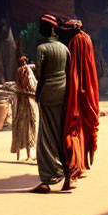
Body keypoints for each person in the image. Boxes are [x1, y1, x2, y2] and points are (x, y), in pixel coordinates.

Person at [32, 13, 71, 193]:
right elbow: (70, 73)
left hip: (48, 93)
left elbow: (40, 76)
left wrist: (37, 95)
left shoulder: (42, 48)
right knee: (60, 134)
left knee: (46, 137)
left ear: (51, 29)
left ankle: (47, 179)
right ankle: (68, 177)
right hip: (63, 93)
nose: (40, 29)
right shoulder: (65, 49)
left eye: (42, 26)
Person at [59, 18, 100, 185]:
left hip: (77, 89)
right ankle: (81, 163)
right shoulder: (86, 38)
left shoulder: (75, 42)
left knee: (73, 126)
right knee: (83, 124)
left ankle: (74, 166)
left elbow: (74, 68)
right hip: (89, 87)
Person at [11, 55, 38, 163]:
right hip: (28, 100)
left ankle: (19, 154)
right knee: (30, 125)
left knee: (19, 125)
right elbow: (32, 84)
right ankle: (29, 155)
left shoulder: (18, 71)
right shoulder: (26, 70)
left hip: (20, 101)